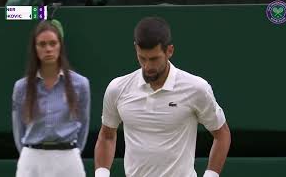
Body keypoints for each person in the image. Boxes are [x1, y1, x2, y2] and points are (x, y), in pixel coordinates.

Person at [94, 16, 231, 177]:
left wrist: (210, 175)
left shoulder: (197, 88)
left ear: (169, 51)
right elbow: (107, 136)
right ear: (135, 49)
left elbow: (222, 134)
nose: (147, 66)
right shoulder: (117, 89)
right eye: (142, 58)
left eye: (154, 59)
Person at [12, 20, 90, 177]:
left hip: (67, 158)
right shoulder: (22, 87)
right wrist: (28, 153)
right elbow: (18, 129)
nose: (48, 49)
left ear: (60, 46)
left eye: (53, 43)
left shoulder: (80, 84)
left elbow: (83, 124)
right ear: (35, 48)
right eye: (42, 44)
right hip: (32, 159)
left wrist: (72, 152)